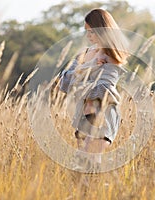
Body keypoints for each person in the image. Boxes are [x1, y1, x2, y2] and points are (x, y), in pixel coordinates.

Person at [59, 8, 128, 169]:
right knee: (81, 167)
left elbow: (102, 90)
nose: (89, 36)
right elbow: (65, 82)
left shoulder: (111, 55)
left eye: (92, 32)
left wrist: (80, 76)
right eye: (87, 32)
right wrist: (89, 67)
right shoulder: (85, 53)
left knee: (89, 165)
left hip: (101, 118)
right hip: (82, 117)